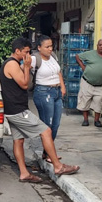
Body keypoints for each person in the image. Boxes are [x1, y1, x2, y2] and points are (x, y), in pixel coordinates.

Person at [1, 37, 79, 183]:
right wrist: (26, 67)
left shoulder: (14, 63)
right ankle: (58, 166)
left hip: (14, 108)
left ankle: (24, 173)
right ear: (17, 51)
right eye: (26, 52)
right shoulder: (12, 64)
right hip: (17, 110)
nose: (28, 55)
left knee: (18, 140)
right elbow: (24, 84)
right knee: (46, 131)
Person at [31, 35, 66, 163]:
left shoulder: (53, 57)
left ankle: (47, 152)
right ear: (39, 48)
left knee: (56, 124)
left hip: (56, 92)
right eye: (47, 47)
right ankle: (49, 154)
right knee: (47, 125)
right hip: (43, 93)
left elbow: (58, 72)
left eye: (51, 46)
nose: (50, 49)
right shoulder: (34, 59)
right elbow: (24, 69)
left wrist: (62, 86)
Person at [76, 39, 102, 127]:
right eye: (99, 45)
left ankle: (97, 120)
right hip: (87, 82)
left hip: (100, 84)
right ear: (97, 46)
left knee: (99, 101)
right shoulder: (90, 54)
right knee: (85, 101)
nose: (101, 46)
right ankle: (85, 120)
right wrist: (83, 67)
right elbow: (77, 56)